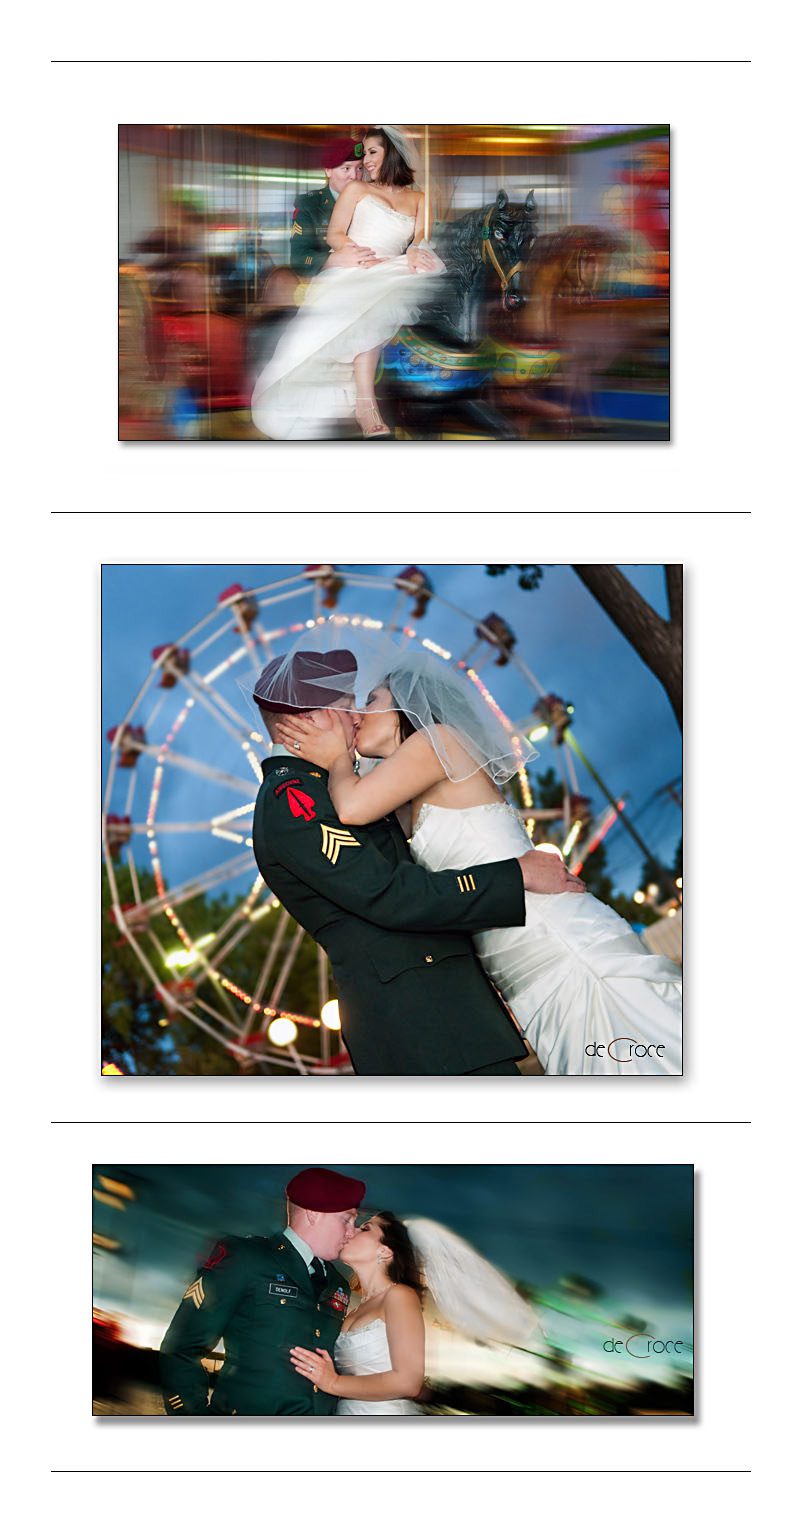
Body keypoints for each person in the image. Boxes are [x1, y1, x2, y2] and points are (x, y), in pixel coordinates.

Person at [271, 628, 683, 1077]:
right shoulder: (407, 790)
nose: (356, 716)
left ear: (404, 708)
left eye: (370, 701)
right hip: (517, 965)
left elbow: (349, 807)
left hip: (549, 937)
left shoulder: (437, 741)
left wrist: (334, 758)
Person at [249, 646, 585, 1076]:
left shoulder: (329, 785)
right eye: (345, 706)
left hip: (443, 1017)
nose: (356, 718)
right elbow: (388, 893)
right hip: (424, 1027)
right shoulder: (292, 801)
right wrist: (513, 874)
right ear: (308, 719)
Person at [251, 126, 444, 440]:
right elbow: (335, 234)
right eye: (363, 154)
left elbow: (421, 237)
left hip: (394, 266)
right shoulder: (357, 191)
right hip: (357, 266)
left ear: (391, 153)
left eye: (371, 153)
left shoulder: (420, 198)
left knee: (424, 283)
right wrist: (347, 253)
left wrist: (413, 251)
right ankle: (365, 407)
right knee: (372, 307)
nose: (365, 161)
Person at [159, 1166, 365, 1415]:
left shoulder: (338, 1284)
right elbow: (181, 1348)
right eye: (347, 1219)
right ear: (313, 1214)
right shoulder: (246, 1257)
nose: (352, 1232)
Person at [290, 1211, 541, 1414]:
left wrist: (333, 1382)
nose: (352, 1231)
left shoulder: (399, 1296)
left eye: (365, 1228)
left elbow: (408, 1382)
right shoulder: (355, 1306)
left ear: (385, 1251)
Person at [290, 136, 365, 279]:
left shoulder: (371, 200)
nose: (354, 176)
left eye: (359, 168)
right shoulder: (310, 205)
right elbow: (298, 259)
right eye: (346, 168)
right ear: (328, 171)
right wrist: (336, 259)